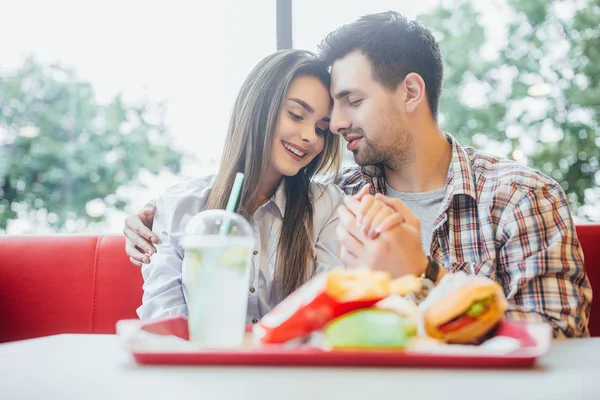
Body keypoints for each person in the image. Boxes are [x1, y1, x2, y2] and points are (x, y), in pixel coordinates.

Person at [124, 12, 592, 337]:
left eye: (352, 101)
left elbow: (561, 337)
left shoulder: (521, 197)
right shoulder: (337, 198)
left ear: (410, 91)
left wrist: (424, 273)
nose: (335, 126)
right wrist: (156, 219)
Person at [135, 49, 344, 322]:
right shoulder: (178, 206)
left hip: (291, 363)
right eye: (295, 115)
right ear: (257, 109)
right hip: (202, 363)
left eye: (321, 129)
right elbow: (163, 321)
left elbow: (327, 312)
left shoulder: (326, 207)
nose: (309, 137)